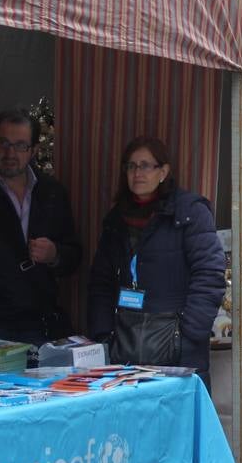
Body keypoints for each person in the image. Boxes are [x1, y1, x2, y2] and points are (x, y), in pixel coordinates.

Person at [87, 137, 226, 375]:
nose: (137, 173)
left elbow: (210, 274)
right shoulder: (116, 219)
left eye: (145, 165)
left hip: (177, 345)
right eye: (131, 166)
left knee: (177, 411)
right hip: (125, 342)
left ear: (163, 171)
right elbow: (101, 280)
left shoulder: (189, 212)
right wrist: (104, 334)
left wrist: (188, 334)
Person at [0, 110, 82, 344]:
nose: (10, 153)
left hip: (39, 322)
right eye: (3, 143)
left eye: (20, 146)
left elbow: (74, 254)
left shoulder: (52, 192)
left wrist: (55, 254)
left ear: (34, 151)